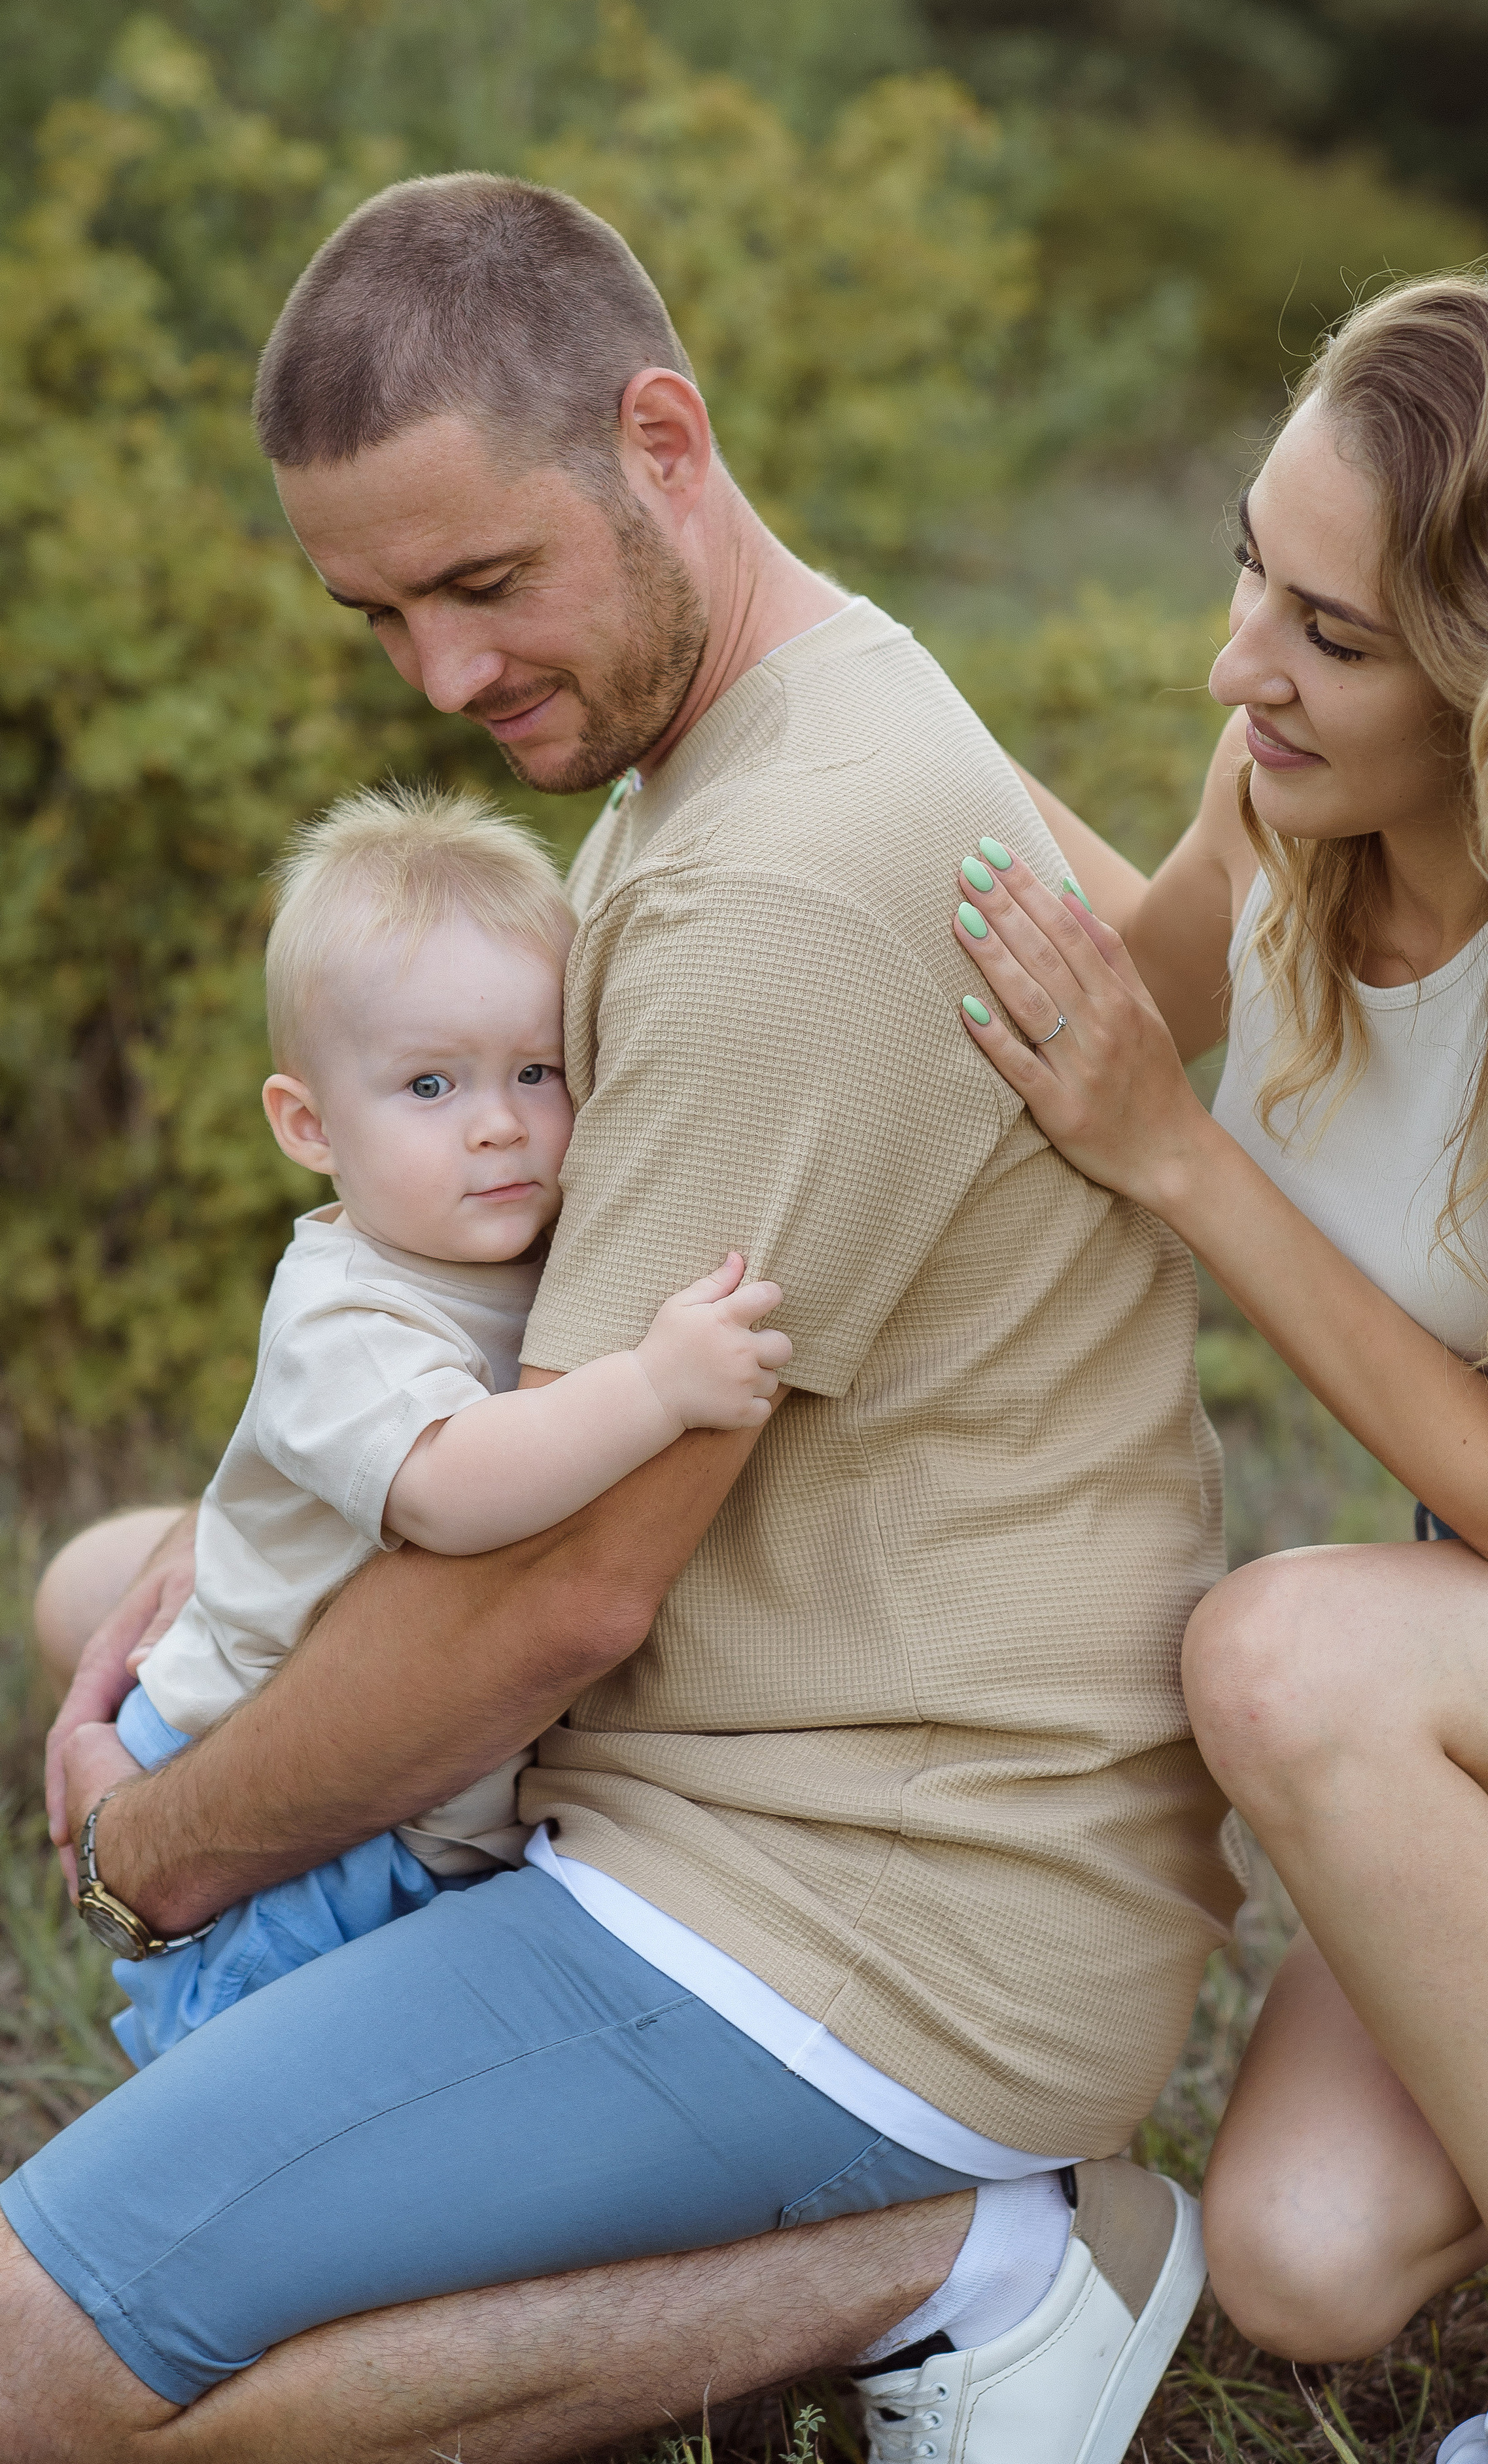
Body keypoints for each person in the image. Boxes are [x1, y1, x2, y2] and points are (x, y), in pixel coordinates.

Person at [0, 172, 1238, 2463]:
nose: (447, 680)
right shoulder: (799, 704)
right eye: (379, 618)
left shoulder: (771, 885)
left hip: (851, 1909)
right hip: (828, 1752)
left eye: (487, 583)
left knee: (34, 2371)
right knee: (118, 1580)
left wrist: (145, 1857)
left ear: (662, 440)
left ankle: (970, 2260)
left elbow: (557, 1588)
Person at [946, 273, 1488, 2464]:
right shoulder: (1286, 800)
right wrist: (848, 714)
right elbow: (1118, 1001)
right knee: (1299, 2254)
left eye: (1332, 633)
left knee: (1285, 1657)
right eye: (1250, 565)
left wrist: (1187, 1171)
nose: (1236, 661)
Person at [84, 784, 790, 2068]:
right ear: (308, 1125)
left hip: (403, 1780)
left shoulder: (511, 1243)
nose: (498, 1123)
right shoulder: (340, 1317)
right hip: (266, 1786)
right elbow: (456, 1490)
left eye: (536, 1071)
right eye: (428, 1083)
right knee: (252, 2075)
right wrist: (654, 1388)